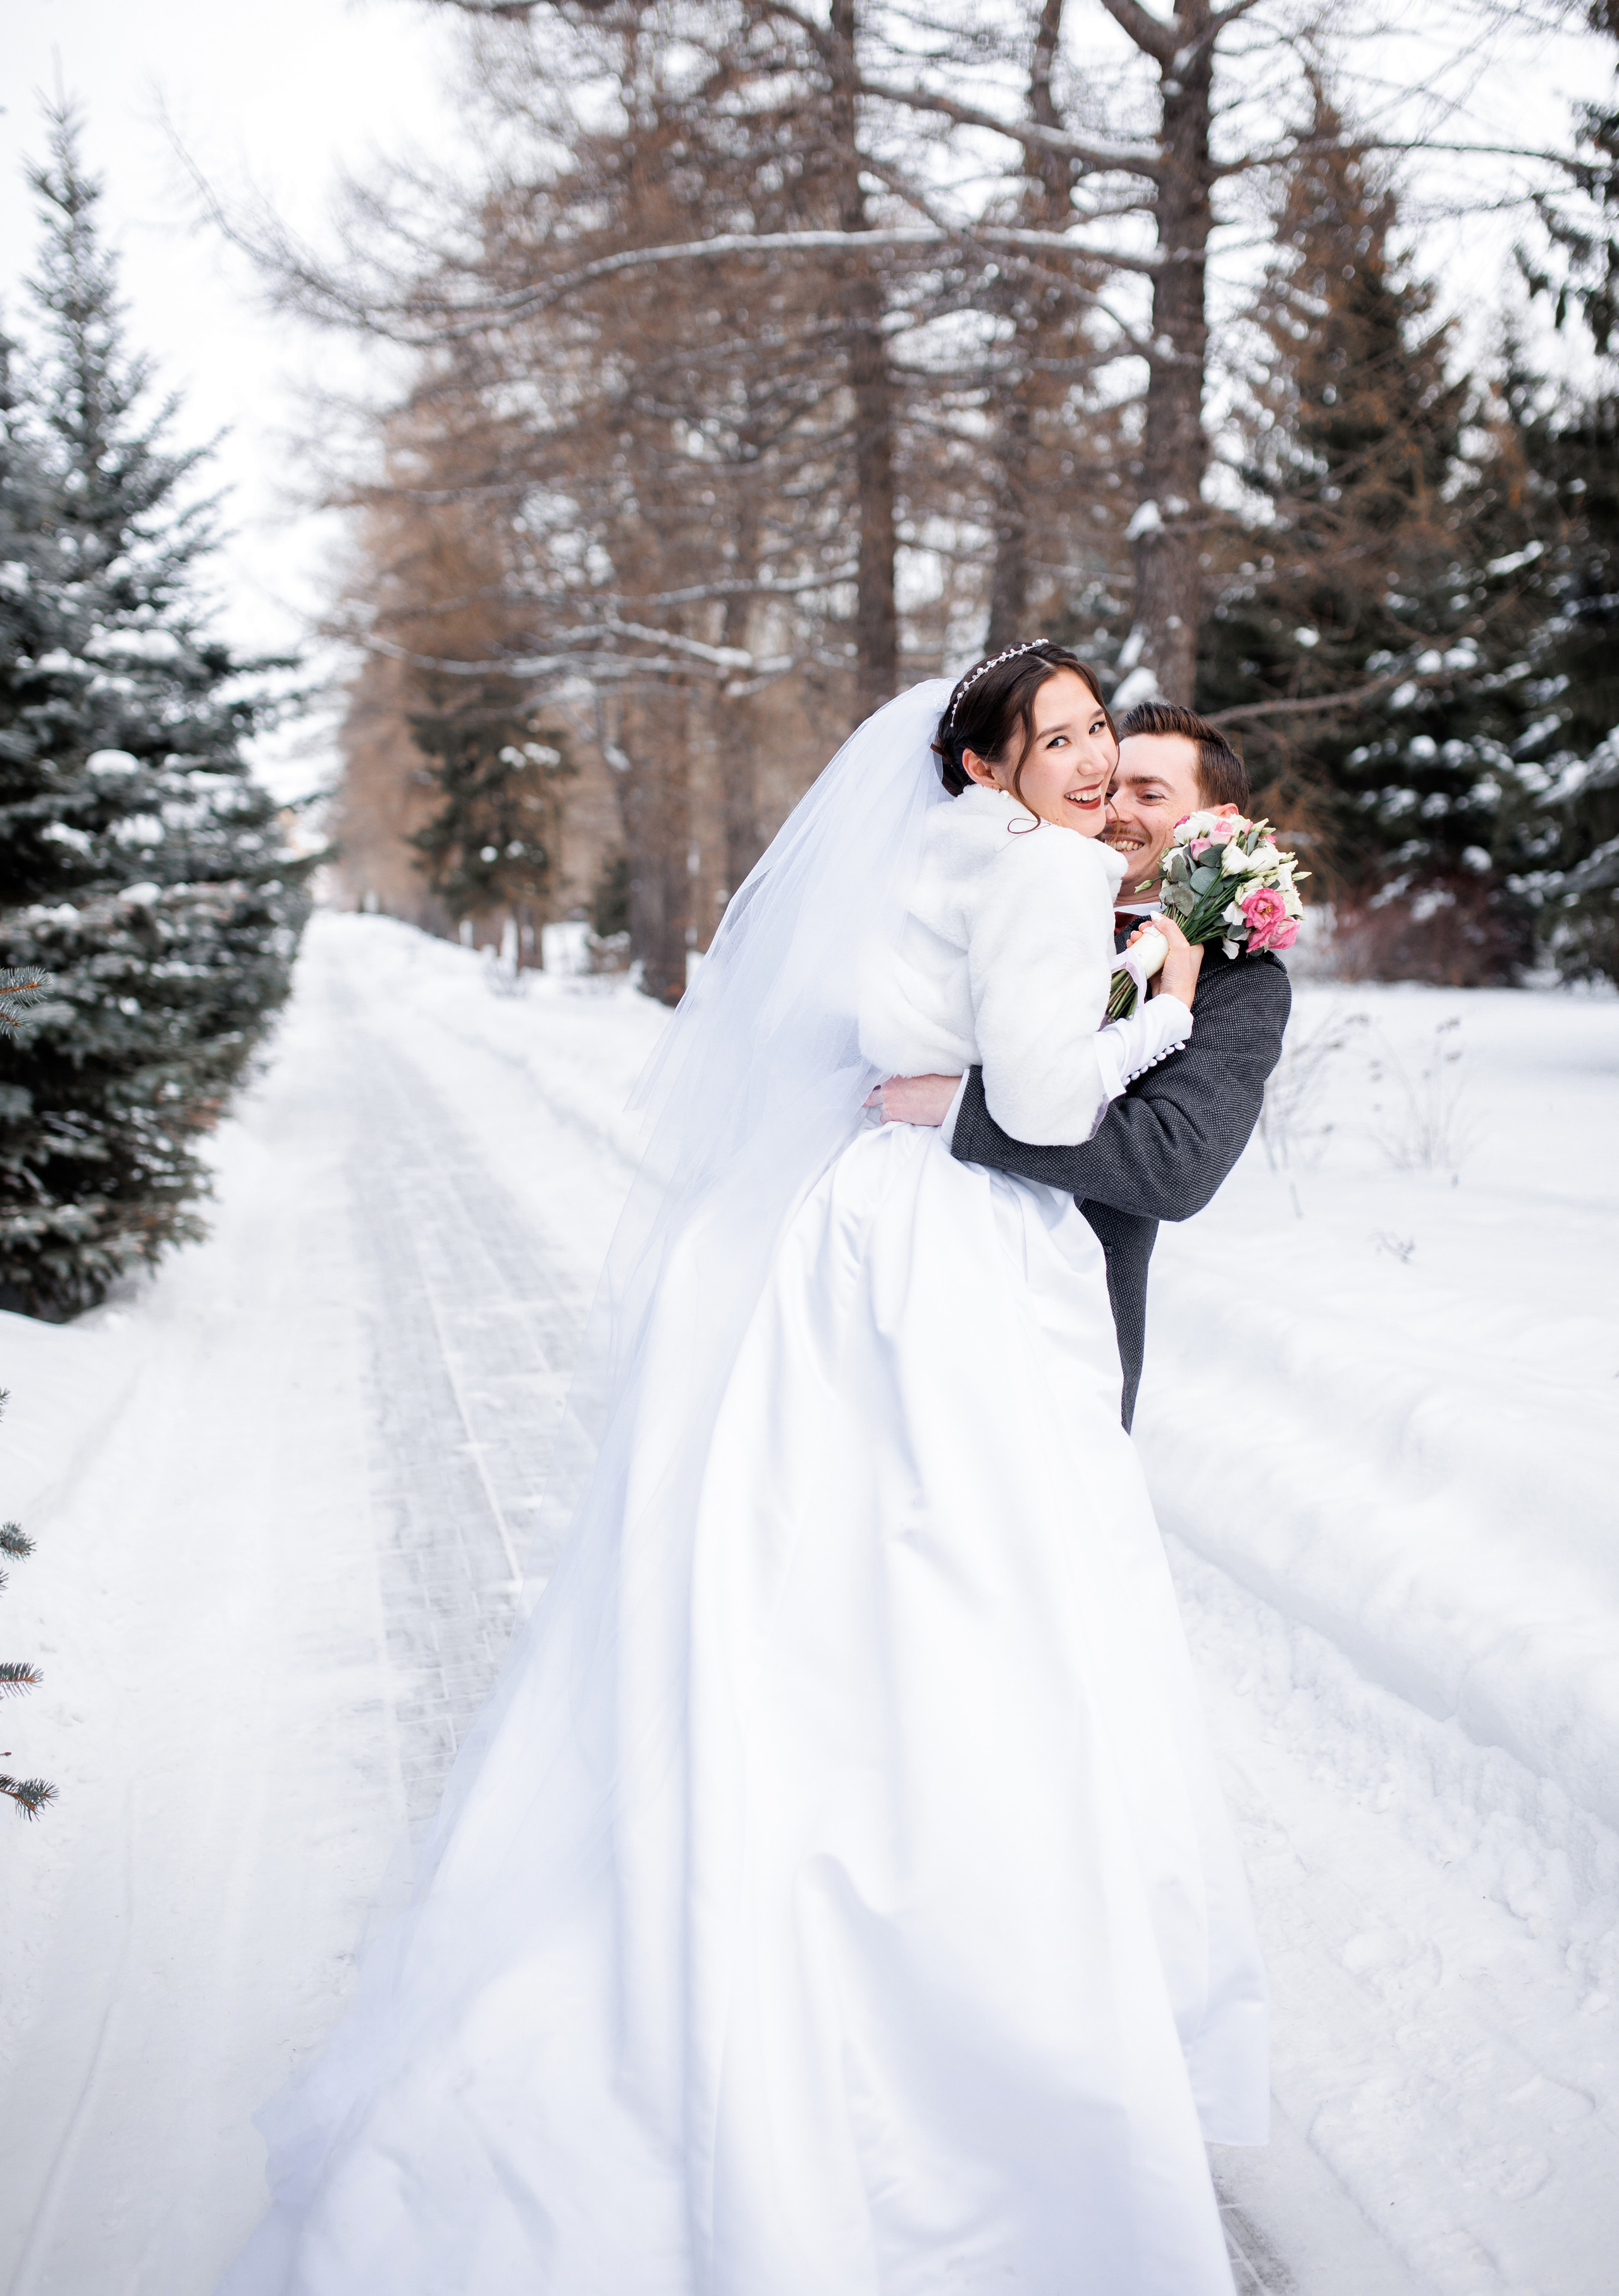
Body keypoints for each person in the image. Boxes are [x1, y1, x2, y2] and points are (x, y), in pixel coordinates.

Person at [219, 647, 1266, 2296]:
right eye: (1053, 739)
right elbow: (1056, 1089)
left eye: (1096, 738)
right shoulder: (1051, 873)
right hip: (964, 1255)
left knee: (844, 1566)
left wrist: (982, 1076)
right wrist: (1167, 1009)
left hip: (860, 1229)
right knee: (987, 1589)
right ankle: (979, 1963)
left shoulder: (930, 854)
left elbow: (929, 1055)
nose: (1084, 765)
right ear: (986, 765)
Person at [876, 701, 1291, 1431]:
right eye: (1111, 785)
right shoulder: (989, 895)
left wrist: (962, 1110)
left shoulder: (1238, 980)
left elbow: (1176, 1165)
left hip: (1059, 1333)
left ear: (1216, 822)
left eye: (1150, 795)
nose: (1115, 807)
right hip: (896, 1275)